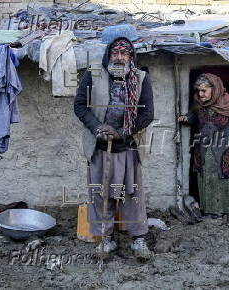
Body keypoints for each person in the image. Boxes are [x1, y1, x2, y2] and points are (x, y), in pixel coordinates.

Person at [74, 36, 154, 260]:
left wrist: (122, 132)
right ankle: (106, 240)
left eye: (124, 53)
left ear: (131, 57)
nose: (119, 58)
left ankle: (138, 240)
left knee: (132, 194)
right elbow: (80, 106)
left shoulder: (141, 78)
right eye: (115, 53)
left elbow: (148, 114)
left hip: (128, 147)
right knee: (101, 195)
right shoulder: (94, 74)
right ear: (109, 55)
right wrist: (98, 127)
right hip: (99, 147)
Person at [179, 73, 229, 217]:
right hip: (205, 147)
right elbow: (194, 114)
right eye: (198, 90)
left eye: (204, 90)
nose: (200, 93)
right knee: (208, 176)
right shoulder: (198, 102)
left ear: (214, 88)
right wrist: (187, 117)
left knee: (227, 176)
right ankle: (211, 210)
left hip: (226, 147)